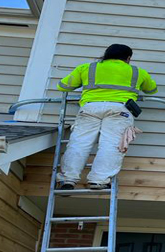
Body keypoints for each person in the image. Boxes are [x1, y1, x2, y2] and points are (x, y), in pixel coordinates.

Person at [55, 44, 157, 190]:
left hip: (90, 108)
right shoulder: (137, 72)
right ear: (128, 58)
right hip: (119, 109)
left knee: (79, 143)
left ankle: (67, 179)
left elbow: (63, 86)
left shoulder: (87, 68)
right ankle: (98, 180)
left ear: (106, 54)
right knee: (111, 145)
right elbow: (152, 89)